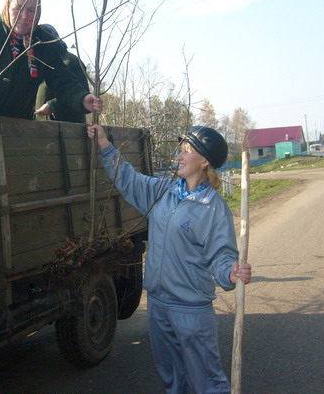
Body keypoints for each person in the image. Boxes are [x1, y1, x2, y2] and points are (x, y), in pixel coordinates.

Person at [88, 123, 252, 393]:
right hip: (158, 304)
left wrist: (230, 273)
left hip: (191, 310)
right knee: (172, 380)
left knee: (207, 382)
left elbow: (222, 254)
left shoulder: (213, 208)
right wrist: (106, 146)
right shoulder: (164, 191)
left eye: (187, 151)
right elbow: (128, 179)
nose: (179, 156)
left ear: (204, 161)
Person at [35, 24, 88, 123]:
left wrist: (53, 106)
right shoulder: (37, 63)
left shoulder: (71, 61)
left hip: (67, 128)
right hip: (40, 127)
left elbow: (81, 94)